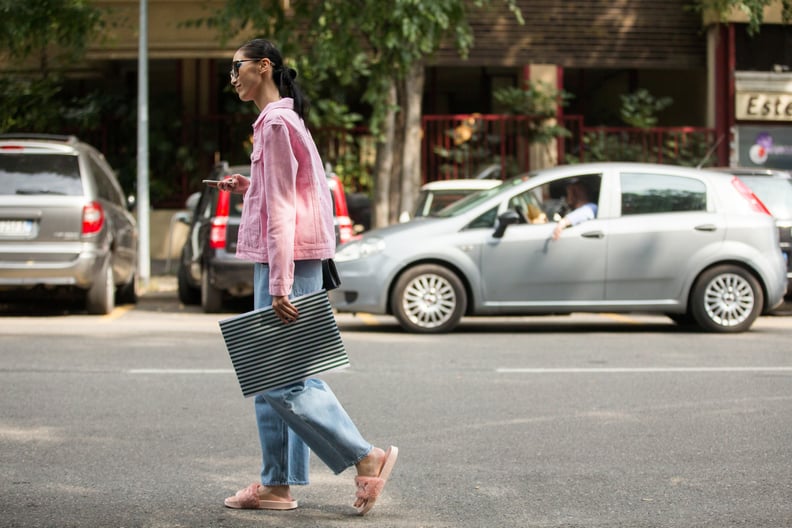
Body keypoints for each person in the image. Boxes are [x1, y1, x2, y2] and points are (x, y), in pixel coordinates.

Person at [216, 38, 398, 516]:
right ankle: (277, 486)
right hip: (289, 260)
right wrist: (248, 184)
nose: (232, 77)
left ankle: (366, 456)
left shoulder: (276, 121)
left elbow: (283, 208)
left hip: (288, 264)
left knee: (283, 382)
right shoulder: (283, 119)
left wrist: (279, 281)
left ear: (264, 66)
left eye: (238, 67)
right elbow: (297, 192)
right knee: (270, 376)